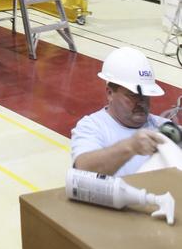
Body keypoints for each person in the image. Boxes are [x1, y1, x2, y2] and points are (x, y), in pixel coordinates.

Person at [71, 46, 167, 176]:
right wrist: (131, 146)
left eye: (146, 95)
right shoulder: (92, 127)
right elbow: (83, 170)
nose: (142, 102)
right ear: (110, 93)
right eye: (133, 95)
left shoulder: (163, 127)